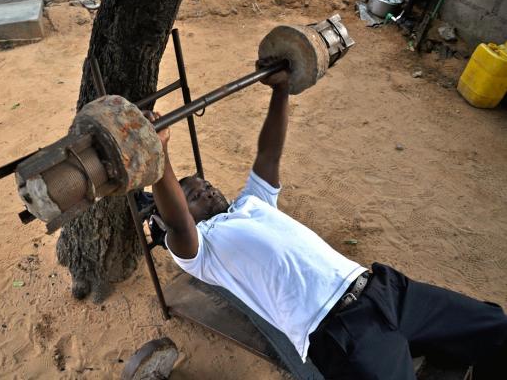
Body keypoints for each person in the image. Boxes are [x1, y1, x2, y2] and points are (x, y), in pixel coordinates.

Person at [148, 59, 507, 380]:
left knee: (494, 327)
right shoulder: (201, 251)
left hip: (386, 291)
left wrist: (282, 88)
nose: (207, 192)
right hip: (342, 331)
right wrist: (159, 153)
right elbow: (178, 222)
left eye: (207, 185)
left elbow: (269, 154)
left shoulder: (251, 204)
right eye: (194, 196)